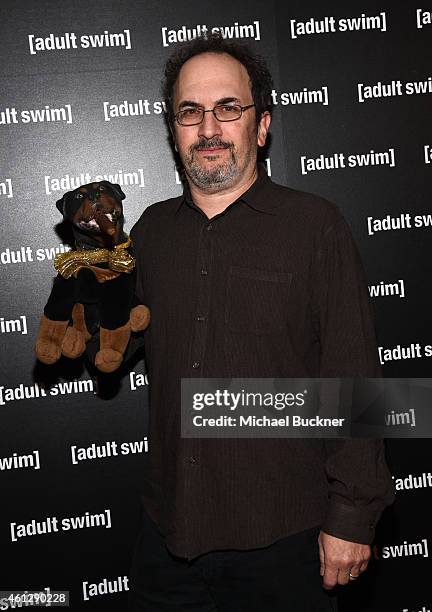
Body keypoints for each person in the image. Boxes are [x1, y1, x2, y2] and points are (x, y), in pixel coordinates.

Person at [127, 34, 395, 611]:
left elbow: (356, 376)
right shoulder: (149, 232)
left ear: (263, 125)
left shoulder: (315, 226)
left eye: (229, 108)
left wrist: (352, 516)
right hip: (167, 537)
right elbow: (122, 343)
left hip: (284, 542)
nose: (209, 128)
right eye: (190, 112)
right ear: (174, 130)